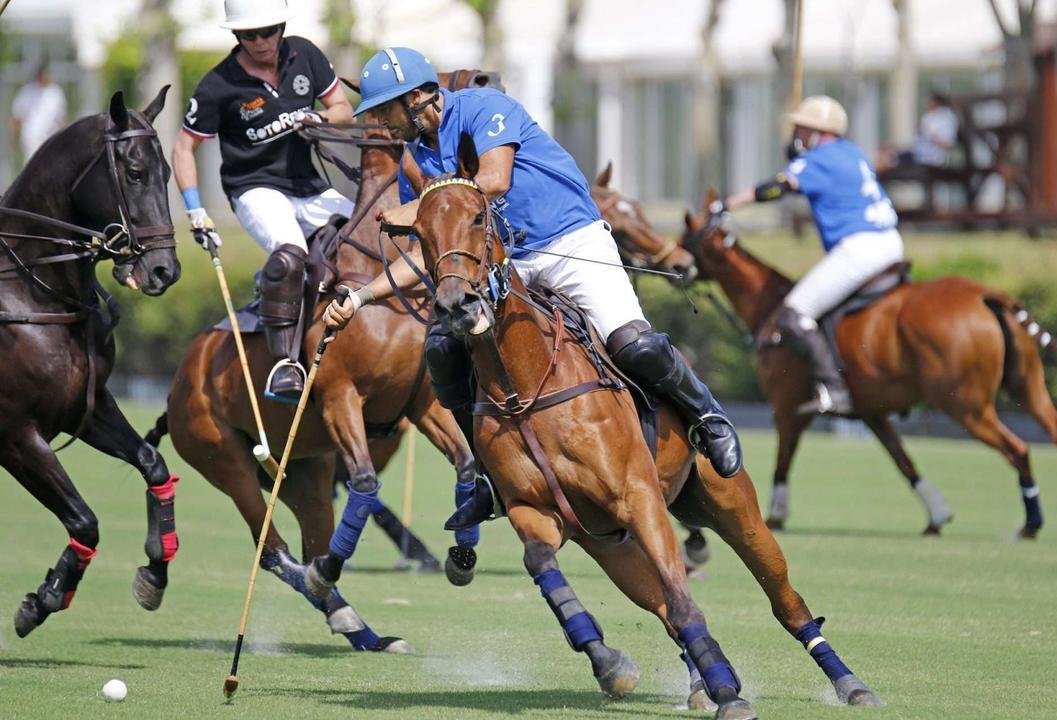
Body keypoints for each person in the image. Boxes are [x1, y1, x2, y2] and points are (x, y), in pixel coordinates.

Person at [323, 47, 743, 531]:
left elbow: (494, 181)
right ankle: (486, 477)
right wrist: (359, 298)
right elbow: (426, 253)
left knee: (633, 343)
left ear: (418, 98)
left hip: (569, 241)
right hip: (508, 264)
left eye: (383, 109)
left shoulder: (484, 109)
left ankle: (707, 417)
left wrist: (421, 208)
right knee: (443, 349)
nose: (378, 122)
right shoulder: (414, 161)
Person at [172, 0, 354, 403]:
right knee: (290, 253)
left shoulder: (304, 54)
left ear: (281, 26)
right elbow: (184, 148)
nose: (260, 41)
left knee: (367, 236)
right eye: (249, 34)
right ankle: (285, 363)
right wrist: (195, 210)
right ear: (237, 35)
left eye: (268, 30)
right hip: (253, 188)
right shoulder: (218, 85)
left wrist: (321, 120)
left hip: (307, 184)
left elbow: (343, 108)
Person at [724, 95, 902, 416]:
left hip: (859, 248)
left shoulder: (818, 160)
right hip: (890, 241)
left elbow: (775, 189)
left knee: (794, 313)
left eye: (802, 129)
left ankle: (835, 389)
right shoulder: (853, 152)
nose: (798, 135)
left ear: (818, 131)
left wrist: (726, 204)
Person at [879, 91, 959, 171]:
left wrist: (930, 135)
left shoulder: (945, 118)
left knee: (887, 161)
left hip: (929, 159)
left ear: (935, 102)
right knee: (887, 154)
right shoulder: (931, 116)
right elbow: (918, 140)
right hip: (918, 154)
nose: (927, 104)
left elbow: (948, 144)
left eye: (929, 101)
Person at [10, 63, 67, 162]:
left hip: (51, 138)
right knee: (34, 165)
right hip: (32, 137)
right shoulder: (27, 91)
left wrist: (65, 136)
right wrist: (14, 136)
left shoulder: (56, 92)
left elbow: (61, 118)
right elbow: (17, 116)